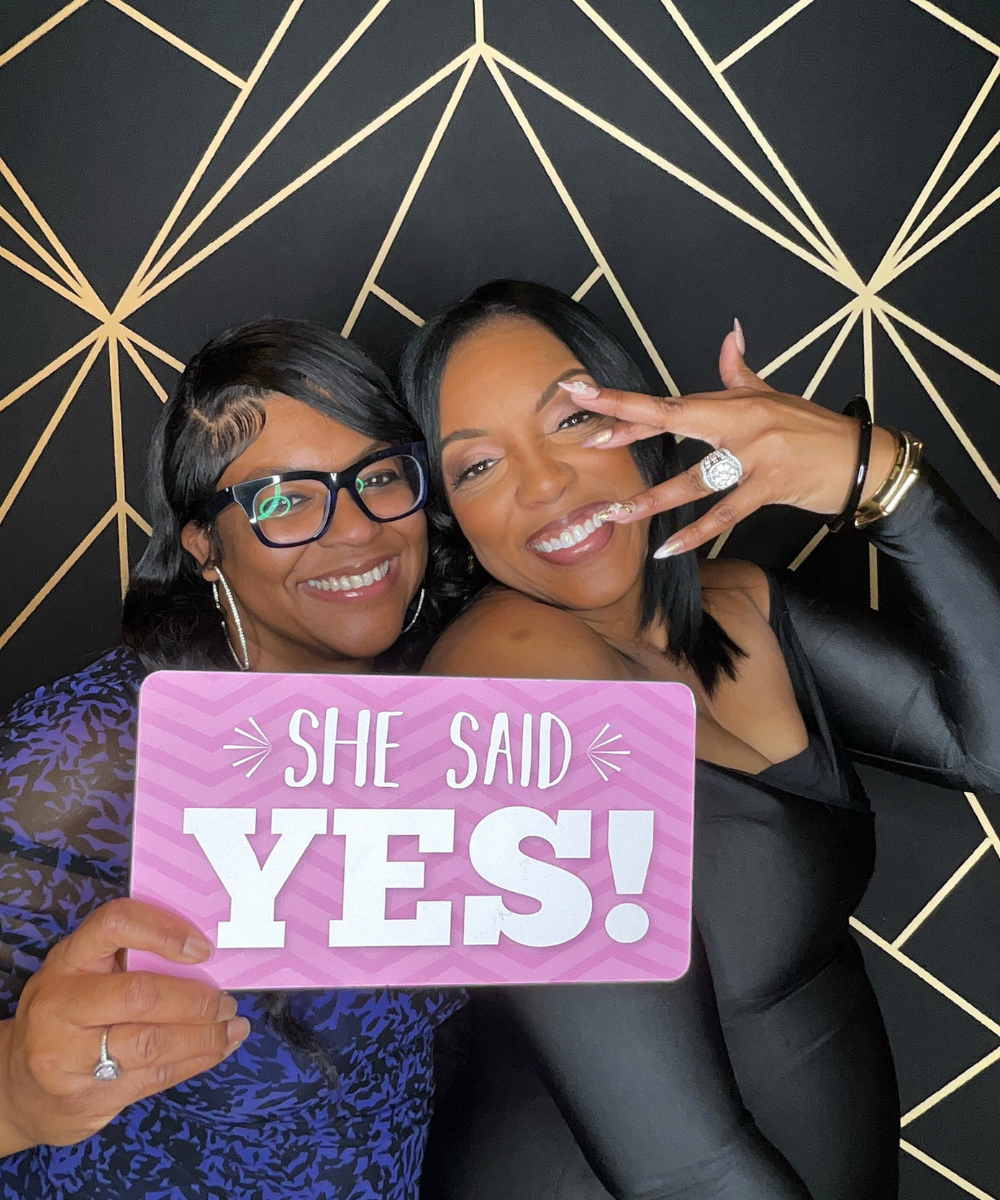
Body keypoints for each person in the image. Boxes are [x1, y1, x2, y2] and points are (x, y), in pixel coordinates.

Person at [401, 280, 1000, 1200]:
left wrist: (881, 477)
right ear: (453, 516)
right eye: (477, 466)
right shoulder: (510, 685)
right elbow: (677, 1166)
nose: (544, 483)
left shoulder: (739, 604)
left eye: (574, 419)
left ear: (647, 421)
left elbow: (988, 741)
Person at [0, 318, 464, 1199]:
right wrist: (19, 1094)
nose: (356, 531)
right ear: (205, 546)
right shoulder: (98, 749)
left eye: (378, 476)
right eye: (284, 500)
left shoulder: (457, 711)